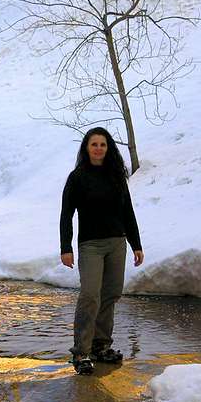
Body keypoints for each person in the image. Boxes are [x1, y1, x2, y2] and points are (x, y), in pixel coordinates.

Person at [59, 127, 144, 375]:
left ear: (108, 148)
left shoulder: (116, 175)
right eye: (94, 144)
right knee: (89, 295)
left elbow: (127, 212)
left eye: (103, 145)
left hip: (117, 243)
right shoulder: (77, 178)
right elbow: (66, 215)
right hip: (91, 246)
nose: (98, 148)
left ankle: (101, 346)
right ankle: (81, 353)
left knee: (111, 294)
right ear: (86, 148)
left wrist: (135, 244)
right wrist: (66, 247)